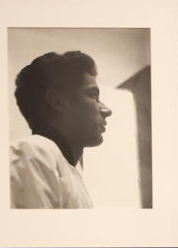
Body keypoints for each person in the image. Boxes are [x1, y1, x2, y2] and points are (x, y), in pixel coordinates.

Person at [10, 50, 111, 208]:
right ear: (57, 102)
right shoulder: (34, 152)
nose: (107, 110)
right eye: (92, 96)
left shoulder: (71, 170)